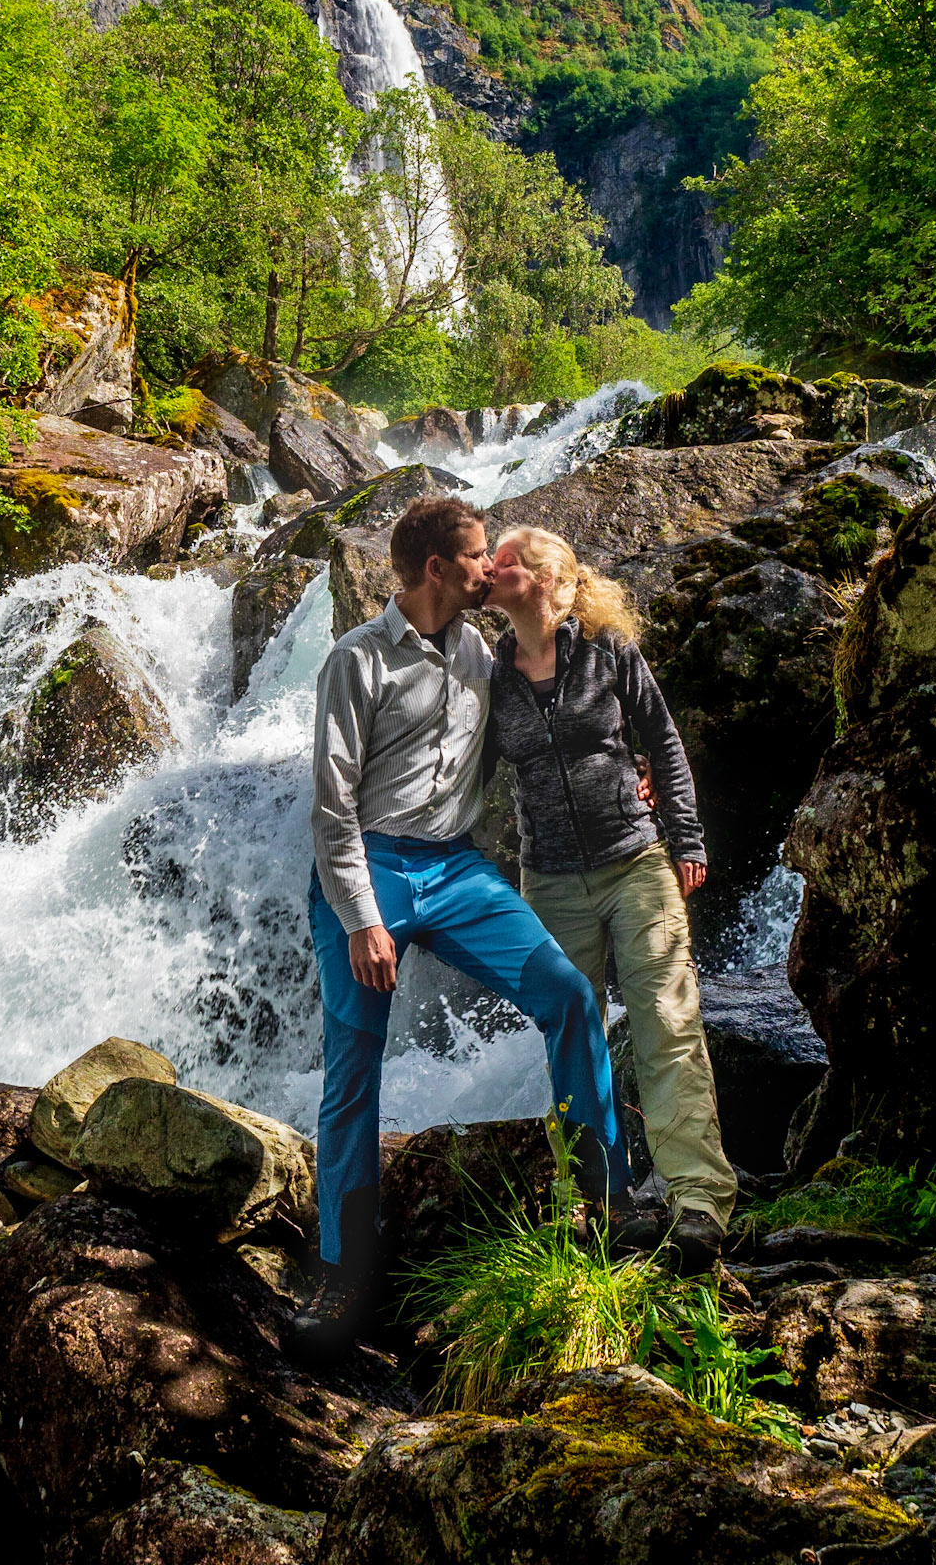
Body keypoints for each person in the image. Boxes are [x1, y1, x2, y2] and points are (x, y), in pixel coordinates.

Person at [295, 494, 634, 1357]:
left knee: (564, 994)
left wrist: (632, 775)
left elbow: (570, 710)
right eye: (482, 555)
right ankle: (345, 1280)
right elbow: (331, 814)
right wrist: (365, 921)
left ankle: (603, 1210)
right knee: (353, 1067)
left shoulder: (488, 655)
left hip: (454, 869)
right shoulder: (356, 660)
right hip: (366, 870)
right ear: (439, 569)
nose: (494, 566)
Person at [484, 523, 736, 1275]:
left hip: (635, 863)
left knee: (665, 1020)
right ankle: (599, 1199)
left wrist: (686, 838)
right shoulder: (488, 673)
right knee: (573, 1036)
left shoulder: (609, 654)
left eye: (510, 563)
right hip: (551, 881)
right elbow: (465, 774)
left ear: (553, 584)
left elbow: (663, 742)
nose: (492, 569)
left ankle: (698, 1199)